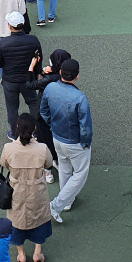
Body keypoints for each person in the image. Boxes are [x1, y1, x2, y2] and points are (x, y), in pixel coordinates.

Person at [40, 59, 92, 224]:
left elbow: (44, 111)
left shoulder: (49, 88)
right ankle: (57, 204)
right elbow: (85, 125)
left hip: (57, 136)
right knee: (80, 173)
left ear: (60, 73)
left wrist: (52, 125)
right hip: (75, 141)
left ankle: (67, 201)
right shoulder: (79, 97)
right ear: (76, 76)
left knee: (64, 167)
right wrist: (85, 142)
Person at [0, 113, 53, 262]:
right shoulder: (42, 148)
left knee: (17, 219)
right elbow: (48, 163)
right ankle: (37, 252)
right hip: (36, 190)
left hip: (16, 191)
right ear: (33, 129)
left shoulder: (8, 148)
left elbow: (4, 164)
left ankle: (21, 253)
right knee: (39, 218)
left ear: (17, 127)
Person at [0, 12, 42, 138]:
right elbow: (38, 58)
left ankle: (14, 134)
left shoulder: (3, 43)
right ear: (23, 24)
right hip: (28, 79)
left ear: (9, 26)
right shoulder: (33, 40)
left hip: (10, 81)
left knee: (12, 108)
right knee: (33, 103)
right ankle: (36, 131)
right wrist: (37, 73)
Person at [26, 48, 73, 185]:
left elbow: (31, 85)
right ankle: (59, 162)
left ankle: (48, 171)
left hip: (44, 114)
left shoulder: (49, 79)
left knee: (44, 142)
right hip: (60, 114)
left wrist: (32, 66)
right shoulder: (64, 77)